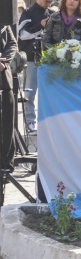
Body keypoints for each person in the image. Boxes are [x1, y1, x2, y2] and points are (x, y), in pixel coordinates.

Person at [16, 0, 53, 132]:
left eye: (50, 2)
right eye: (46, 1)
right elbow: (22, 35)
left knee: (48, 91)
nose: (48, 4)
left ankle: (46, 121)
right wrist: (40, 26)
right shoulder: (28, 13)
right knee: (30, 91)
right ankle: (30, 121)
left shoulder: (50, 13)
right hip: (31, 58)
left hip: (48, 58)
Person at [0, 25, 18, 171]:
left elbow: (12, 44)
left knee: (7, 124)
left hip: (4, 81)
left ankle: (6, 164)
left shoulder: (4, 24)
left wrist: (3, 61)